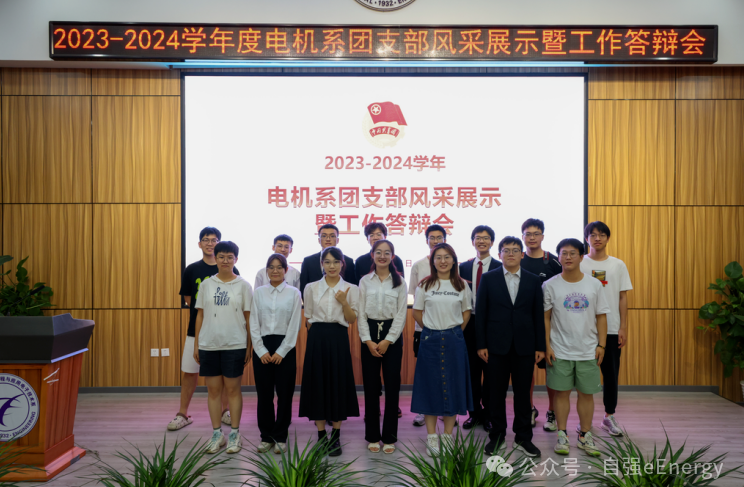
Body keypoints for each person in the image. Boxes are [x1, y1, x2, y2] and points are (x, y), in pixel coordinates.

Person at [476, 237, 544, 458]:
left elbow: (538, 315)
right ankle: (497, 437)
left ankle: (523, 437)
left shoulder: (533, 280)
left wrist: (540, 346)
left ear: (522, 254)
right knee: (495, 394)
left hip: (525, 346)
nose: (511, 254)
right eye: (506, 250)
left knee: (523, 395)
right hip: (496, 346)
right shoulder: (488, 278)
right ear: (500, 254)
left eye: (516, 250)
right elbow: (481, 313)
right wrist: (481, 344)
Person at [544, 238, 610, 458]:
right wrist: (547, 345)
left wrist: (602, 345)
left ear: (582, 257)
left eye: (573, 253)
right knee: (561, 394)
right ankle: (562, 434)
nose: (568, 257)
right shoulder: (550, 285)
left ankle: (584, 435)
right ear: (558, 257)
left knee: (586, 394)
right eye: (564, 253)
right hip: (559, 350)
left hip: (588, 350)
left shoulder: (594, 284)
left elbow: (601, 316)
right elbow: (546, 318)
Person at [169, 227, 239, 431]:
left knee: (224, 375)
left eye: (214, 240)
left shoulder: (231, 269)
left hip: (224, 331)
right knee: (190, 372)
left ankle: (225, 412)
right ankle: (182, 414)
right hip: (196, 330)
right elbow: (190, 301)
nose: (210, 243)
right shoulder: (192, 269)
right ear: (199, 244)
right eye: (206, 240)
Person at [412, 243, 473, 457]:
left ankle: (447, 437)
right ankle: (432, 437)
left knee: (453, 388)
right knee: (430, 389)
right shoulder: (425, 285)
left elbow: (466, 313)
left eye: (447, 257)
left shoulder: (462, 285)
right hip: (430, 339)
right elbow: (417, 312)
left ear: (454, 260)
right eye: (438, 257)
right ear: (433, 261)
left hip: (454, 339)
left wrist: (454, 331)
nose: (443, 261)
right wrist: (431, 329)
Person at [299, 246, 360, 457]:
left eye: (336, 262)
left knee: (337, 384)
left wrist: (344, 303)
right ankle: (320, 436)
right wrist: (316, 337)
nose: (331, 266)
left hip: (339, 337)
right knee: (317, 384)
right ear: (321, 264)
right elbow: (308, 317)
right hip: (316, 337)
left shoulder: (351, 288)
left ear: (342, 264)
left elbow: (352, 319)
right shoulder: (310, 287)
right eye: (327, 262)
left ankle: (335, 435)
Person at [194, 241, 253, 454]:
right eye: (221, 257)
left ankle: (235, 434)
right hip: (209, 344)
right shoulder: (206, 285)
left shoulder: (244, 285)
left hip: (235, 344)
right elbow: (200, 315)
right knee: (213, 391)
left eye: (230, 257)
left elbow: (249, 318)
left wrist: (249, 345)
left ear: (236, 259)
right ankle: (217, 434)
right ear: (215, 258)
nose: (225, 260)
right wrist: (197, 344)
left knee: (233, 390)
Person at [581, 221, 632, 437]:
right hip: (584, 329)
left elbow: (622, 297)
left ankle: (609, 416)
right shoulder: (579, 262)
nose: (597, 238)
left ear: (608, 238)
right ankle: (584, 421)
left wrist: (623, 327)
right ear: (587, 239)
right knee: (584, 376)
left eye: (602, 235)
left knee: (611, 375)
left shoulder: (617, 265)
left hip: (611, 329)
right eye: (593, 235)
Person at [358, 239, 407, 454]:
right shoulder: (364, 281)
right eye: (378, 252)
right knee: (370, 388)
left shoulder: (400, 282)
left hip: (392, 337)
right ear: (372, 255)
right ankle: (372, 436)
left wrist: (389, 340)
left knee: (392, 387)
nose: (382, 256)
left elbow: (401, 314)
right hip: (369, 335)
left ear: (392, 257)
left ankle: (389, 437)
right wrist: (367, 340)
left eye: (387, 253)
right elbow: (360, 313)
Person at [250, 253, 302, 455]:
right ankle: (266, 437)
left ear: (286, 270)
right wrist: (260, 350)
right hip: (262, 347)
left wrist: (281, 351)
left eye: (279, 267)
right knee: (264, 395)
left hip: (285, 347)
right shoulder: (259, 293)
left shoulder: (294, 293)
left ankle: (280, 436)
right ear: (266, 270)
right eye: (271, 267)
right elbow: (254, 323)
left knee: (285, 395)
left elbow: (294, 324)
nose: (275, 271)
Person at [520, 218, 562, 431]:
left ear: (543, 236)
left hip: (550, 325)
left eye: (536, 233)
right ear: (522, 237)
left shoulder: (553, 261)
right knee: (526, 372)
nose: (532, 237)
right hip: (524, 326)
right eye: (528, 234)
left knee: (550, 370)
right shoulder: (517, 259)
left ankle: (552, 411)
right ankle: (529, 409)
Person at [459, 225, 501, 433]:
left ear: (492, 242)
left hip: (492, 324)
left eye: (486, 238)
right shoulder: (463, 268)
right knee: (471, 372)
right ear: (472, 241)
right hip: (469, 323)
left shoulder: (500, 266)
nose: (481, 241)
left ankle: (490, 414)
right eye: (478, 238)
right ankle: (474, 413)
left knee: (491, 372)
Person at [408, 224, 448, 427]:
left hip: (447, 330)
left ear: (445, 240)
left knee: (445, 370)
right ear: (426, 241)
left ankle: (444, 409)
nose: (436, 241)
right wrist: (427, 327)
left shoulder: (451, 265)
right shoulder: (418, 266)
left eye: (439, 237)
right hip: (423, 329)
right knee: (426, 371)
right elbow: (414, 298)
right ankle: (423, 411)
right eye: (432, 237)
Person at [299, 224, 357, 297]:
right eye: (324, 236)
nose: (328, 239)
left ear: (337, 240)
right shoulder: (308, 261)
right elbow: (303, 288)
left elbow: (351, 287)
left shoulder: (348, 261)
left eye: (332, 236)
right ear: (319, 240)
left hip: (340, 301)